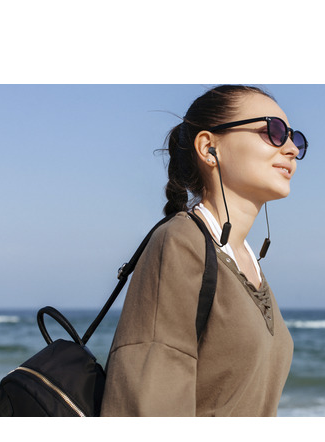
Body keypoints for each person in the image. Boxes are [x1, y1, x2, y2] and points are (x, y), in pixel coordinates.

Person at [101, 85, 308, 416]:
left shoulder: (249, 263)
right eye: (273, 131)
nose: (291, 149)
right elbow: (150, 400)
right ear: (209, 148)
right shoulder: (182, 243)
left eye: (294, 138)